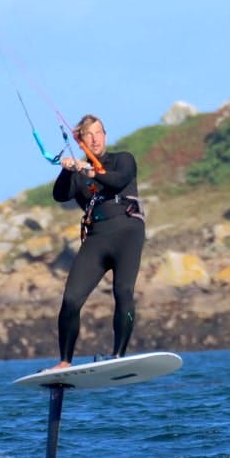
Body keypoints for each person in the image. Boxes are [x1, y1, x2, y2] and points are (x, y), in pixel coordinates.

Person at [48, 114, 145, 370]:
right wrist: (67, 170)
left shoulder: (122, 159)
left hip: (127, 231)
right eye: (88, 135)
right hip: (97, 238)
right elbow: (59, 195)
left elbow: (117, 180)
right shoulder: (79, 174)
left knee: (123, 291)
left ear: (105, 135)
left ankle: (117, 355)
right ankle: (65, 361)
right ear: (81, 141)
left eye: (99, 133)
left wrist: (90, 170)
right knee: (70, 300)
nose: (95, 139)